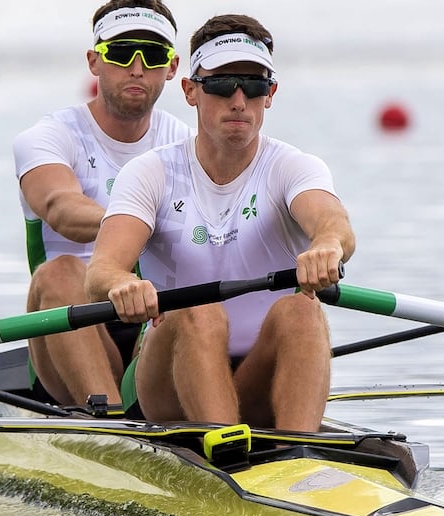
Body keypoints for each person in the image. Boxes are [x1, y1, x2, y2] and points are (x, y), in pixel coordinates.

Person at [85, 14, 354, 432]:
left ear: (271, 94)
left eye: (253, 85)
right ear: (191, 91)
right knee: (200, 311)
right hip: (165, 384)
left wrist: (328, 246)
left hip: (256, 375)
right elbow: (101, 270)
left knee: (303, 310)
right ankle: (226, 448)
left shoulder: (293, 167)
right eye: (222, 85)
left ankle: (300, 455)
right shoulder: (151, 172)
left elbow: (332, 223)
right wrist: (123, 284)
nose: (238, 100)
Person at [12, 0, 191, 407]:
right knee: (59, 272)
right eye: (122, 52)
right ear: (95, 61)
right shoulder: (48, 137)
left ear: (173, 67)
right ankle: (111, 423)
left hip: (155, 321)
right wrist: (135, 220)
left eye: (154, 55)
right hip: (68, 327)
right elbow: (60, 208)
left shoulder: (187, 144)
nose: (138, 67)